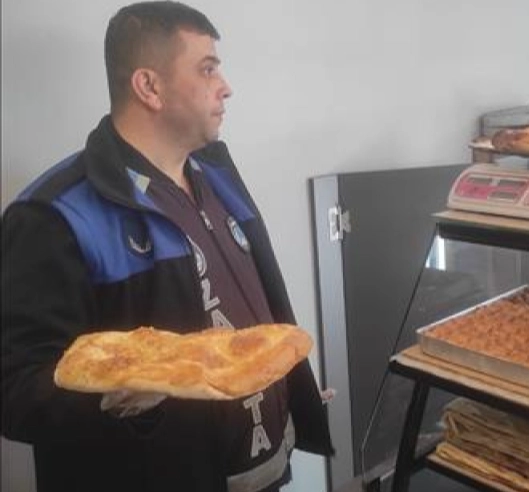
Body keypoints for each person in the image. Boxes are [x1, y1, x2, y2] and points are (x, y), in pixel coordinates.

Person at [1, 2, 333, 492]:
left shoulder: (216, 174)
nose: (226, 86)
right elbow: (15, 390)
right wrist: (123, 395)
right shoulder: (55, 214)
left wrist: (292, 389)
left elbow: (250, 314)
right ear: (149, 87)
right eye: (207, 68)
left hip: (264, 473)